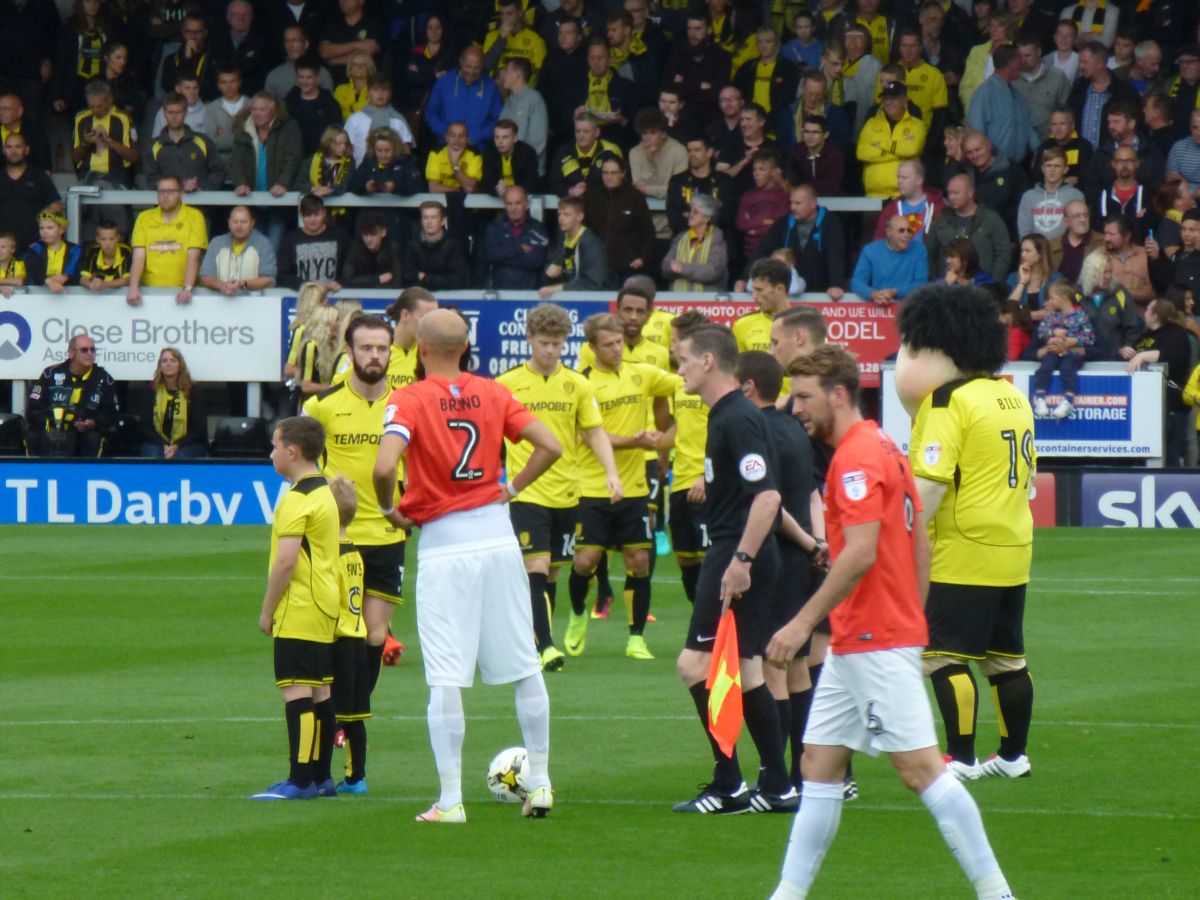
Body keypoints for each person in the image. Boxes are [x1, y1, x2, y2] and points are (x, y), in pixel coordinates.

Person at [767, 341, 1017, 900]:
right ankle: (787, 894)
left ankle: (997, 892)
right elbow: (918, 540)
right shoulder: (884, 444)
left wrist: (801, 623)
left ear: (838, 394)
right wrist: (914, 611)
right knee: (819, 764)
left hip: (874, 637)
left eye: (804, 396)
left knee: (921, 770)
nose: (794, 407)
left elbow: (857, 553)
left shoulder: (855, 457)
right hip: (867, 635)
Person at [373, 309, 562, 822]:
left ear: (421, 349)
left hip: (444, 543)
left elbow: (385, 465)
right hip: (498, 536)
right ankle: (541, 783)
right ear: (465, 347)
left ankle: (451, 798)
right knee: (525, 663)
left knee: (446, 676)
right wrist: (514, 488)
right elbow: (551, 445)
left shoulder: (408, 398)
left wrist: (392, 510)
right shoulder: (495, 391)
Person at [891, 284, 1039, 785]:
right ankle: (1014, 755)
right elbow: (1032, 479)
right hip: (1014, 544)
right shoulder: (1010, 394)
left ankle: (960, 757)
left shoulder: (947, 402)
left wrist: (900, 537)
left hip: (963, 545)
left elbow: (930, 484)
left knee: (941, 656)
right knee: (1005, 658)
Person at [670, 324, 792, 814]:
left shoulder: (735, 419)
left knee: (693, 665)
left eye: (682, 359)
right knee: (746, 669)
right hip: (745, 551)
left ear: (706, 362)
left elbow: (767, 496)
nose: (677, 368)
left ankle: (730, 783)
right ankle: (778, 785)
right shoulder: (727, 415)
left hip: (737, 552)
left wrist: (740, 559)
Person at [497, 304, 622, 670]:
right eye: (544, 343)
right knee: (535, 566)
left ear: (566, 342)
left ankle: (536, 639)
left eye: (556, 344)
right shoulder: (507, 385)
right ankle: (545, 646)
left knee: (552, 571)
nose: (550, 350)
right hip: (527, 492)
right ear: (529, 339)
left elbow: (594, 432)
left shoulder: (577, 385)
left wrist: (610, 472)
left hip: (568, 492)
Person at [304, 314, 410, 729]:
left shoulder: (406, 403)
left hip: (387, 534)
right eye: (366, 348)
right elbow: (300, 462)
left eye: (382, 348)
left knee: (374, 635)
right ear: (349, 353)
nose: (374, 355)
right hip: (339, 537)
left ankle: (351, 718)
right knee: (337, 633)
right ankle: (338, 717)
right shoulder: (322, 405)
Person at [735, 349, 824, 796]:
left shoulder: (758, 431)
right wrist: (819, 542)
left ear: (748, 386)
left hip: (783, 554)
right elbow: (810, 493)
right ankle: (805, 771)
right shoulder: (795, 428)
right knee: (799, 668)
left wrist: (806, 543)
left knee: (773, 667)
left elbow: (771, 503)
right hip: (806, 558)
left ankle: (781, 776)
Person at [565, 312, 678, 660]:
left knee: (639, 560)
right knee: (585, 560)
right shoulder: (582, 383)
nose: (616, 349)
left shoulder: (641, 374)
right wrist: (637, 441)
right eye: (608, 345)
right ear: (592, 347)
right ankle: (579, 613)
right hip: (590, 486)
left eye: (619, 343)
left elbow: (681, 384)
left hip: (634, 487)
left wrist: (662, 438)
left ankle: (635, 637)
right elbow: (589, 436)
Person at [250, 416, 340, 800]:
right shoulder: (327, 493)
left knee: (296, 690)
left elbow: (285, 561)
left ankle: (300, 779)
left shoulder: (297, 499)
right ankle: (321, 777)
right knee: (320, 691)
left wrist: (267, 610)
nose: (271, 453)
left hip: (301, 604)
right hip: (325, 601)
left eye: (274, 446)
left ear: (292, 451)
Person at [326, 475, 370, 794]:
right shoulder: (355, 553)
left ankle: (320, 772)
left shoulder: (332, 556)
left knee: (330, 712)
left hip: (337, 638)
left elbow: (329, 599)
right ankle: (356, 778)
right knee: (355, 715)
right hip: (358, 637)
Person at [1124, 299, 1194, 467]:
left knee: (1169, 453)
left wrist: (1143, 356)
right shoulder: (1146, 335)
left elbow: (1171, 356)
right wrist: (1126, 351)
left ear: (1155, 315)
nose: (1144, 313)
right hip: (1145, 407)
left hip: (1171, 405)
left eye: (1147, 310)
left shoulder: (1176, 333)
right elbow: (1134, 355)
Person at [26, 334, 119, 458]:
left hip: (84, 434)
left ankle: (87, 475)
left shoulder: (104, 379)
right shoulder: (50, 374)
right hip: (50, 430)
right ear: (71, 353)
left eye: (93, 350)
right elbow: (34, 407)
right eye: (84, 350)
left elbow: (111, 414)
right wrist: (49, 424)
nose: (89, 353)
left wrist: (93, 423)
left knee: (95, 438)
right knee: (32, 436)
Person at [745, 185, 847, 298]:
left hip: (822, 292)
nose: (792, 207)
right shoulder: (782, 224)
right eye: (791, 203)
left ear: (813, 204)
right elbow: (761, 252)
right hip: (787, 293)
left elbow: (835, 256)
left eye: (798, 203)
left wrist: (836, 284)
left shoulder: (831, 223)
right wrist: (745, 278)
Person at [126, 175, 208, 306]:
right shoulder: (144, 217)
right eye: (161, 191)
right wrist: (133, 287)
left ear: (181, 193)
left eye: (170, 191)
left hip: (184, 292)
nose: (165, 195)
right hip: (150, 291)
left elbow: (194, 255)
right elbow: (138, 256)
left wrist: (187, 288)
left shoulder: (194, 216)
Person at [585, 155, 656, 283]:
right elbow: (585, 230)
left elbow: (648, 231)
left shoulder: (635, 197)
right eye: (605, 173)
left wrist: (643, 257)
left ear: (623, 173)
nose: (608, 177)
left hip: (628, 266)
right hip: (598, 265)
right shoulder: (592, 196)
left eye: (613, 173)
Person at [927, 174, 1010, 283]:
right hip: (946, 287)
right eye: (949, 193)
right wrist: (934, 283)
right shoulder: (942, 219)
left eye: (956, 193)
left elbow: (1003, 255)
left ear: (970, 192)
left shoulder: (991, 219)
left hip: (982, 287)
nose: (951, 197)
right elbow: (929, 253)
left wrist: (993, 285)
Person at [1031, 281, 1095, 420]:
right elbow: (1041, 331)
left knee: (1068, 368)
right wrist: (1053, 333)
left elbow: (1089, 337)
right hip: (1054, 351)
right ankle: (1040, 398)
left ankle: (1068, 400)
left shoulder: (1080, 315)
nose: (1049, 301)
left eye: (1052, 297)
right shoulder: (1052, 316)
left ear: (1064, 298)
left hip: (1073, 353)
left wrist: (1073, 340)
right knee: (1045, 366)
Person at [966, 45, 1037, 167]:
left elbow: (1028, 125)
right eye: (1019, 59)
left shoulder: (1017, 95)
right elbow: (975, 134)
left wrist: (1038, 151)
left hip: (1018, 168)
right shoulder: (984, 93)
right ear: (1010, 64)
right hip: (994, 168)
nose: (1022, 63)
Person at [229, 92, 304, 206]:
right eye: (254, 109)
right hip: (249, 198)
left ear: (273, 111)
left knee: (276, 225)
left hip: (280, 198)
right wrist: (240, 183)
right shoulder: (243, 130)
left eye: (262, 110)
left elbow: (292, 158)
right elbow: (236, 162)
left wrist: (282, 183)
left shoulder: (288, 128)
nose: (257, 114)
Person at [144, 91, 226, 193]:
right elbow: (152, 180)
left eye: (178, 112)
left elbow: (218, 171)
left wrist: (200, 187)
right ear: (164, 113)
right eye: (170, 112)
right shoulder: (153, 146)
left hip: (201, 204)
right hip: (167, 205)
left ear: (186, 112)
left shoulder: (203, 141)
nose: (174, 117)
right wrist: (179, 186)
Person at [857, 81, 926, 199]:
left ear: (904, 100)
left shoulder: (917, 125)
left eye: (893, 98)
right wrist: (898, 154)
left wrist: (882, 145)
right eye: (886, 99)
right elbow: (862, 153)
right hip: (874, 194)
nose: (888, 102)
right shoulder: (871, 123)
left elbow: (911, 149)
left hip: (905, 195)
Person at [661, 11, 732, 124]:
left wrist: (683, 82)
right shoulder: (677, 53)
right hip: (680, 119)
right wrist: (700, 85)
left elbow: (717, 95)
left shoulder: (722, 57)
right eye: (690, 29)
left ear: (709, 30)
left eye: (698, 29)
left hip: (710, 119)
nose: (692, 34)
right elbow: (667, 86)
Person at [424, 47, 502, 149]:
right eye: (468, 66)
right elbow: (431, 113)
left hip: (478, 147)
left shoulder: (491, 87)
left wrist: (481, 135)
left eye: (476, 67)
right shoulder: (444, 82)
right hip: (446, 146)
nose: (471, 71)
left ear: (482, 65)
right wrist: (449, 135)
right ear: (461, 62)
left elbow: (499, 117)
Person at [140, 347, 206, 459]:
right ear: (160, 366)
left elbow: (199, 429)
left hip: (188, 444)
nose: (168, 364)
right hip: (158, 443)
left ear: (180, 365)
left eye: (173, 360)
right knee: (153, 455)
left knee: (181, 457)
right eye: (164, 361)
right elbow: (145, 426)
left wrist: (177, 445)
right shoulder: (151, 390)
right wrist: (164, 445)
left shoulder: (193, 391)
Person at [0, 132, 61, 252]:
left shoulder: (39, 176)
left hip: (34, 247)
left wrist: (43, 232)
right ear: (3, 150)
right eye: (9, 147)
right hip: (3, 249)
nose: (13, 151)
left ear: (26, 150)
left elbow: (56, 206)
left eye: (18, 147)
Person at [276, 194, 350, 291]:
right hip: (303, 297)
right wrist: (308, 284)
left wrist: (341, 283)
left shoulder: (340, 236)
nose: (312, 219)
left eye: (316, 214)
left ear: (324, 213)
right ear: (301, 215)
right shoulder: (289, 240)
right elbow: (281, 276)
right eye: (307, 215)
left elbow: (351, 268)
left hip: (334, 295)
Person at [198, 205, 277, 294]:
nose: (239, 226)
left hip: (254, 303)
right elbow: (205, 277)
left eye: (243, 222)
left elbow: (269, 280)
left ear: (252, 223)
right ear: (229, 223)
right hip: (219, 300)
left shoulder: (263, 244)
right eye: (235, 222)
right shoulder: (216, 243)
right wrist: (221, 285)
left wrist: (243, 284)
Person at [1078, 250, 1140, 362]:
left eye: (1110, 272)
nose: (1108, 276)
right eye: (1103, 272)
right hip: (1083, 361)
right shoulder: (1076, 295)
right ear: (1090, 273)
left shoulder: (1120, 293)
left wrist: (1128, 346)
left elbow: (1132, 326)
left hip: (1115, 359)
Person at [540, 196, 611, 295]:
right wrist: (549, 274)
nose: (561, 218)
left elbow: (594, 283)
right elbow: (552, 266)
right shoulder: (562, 239)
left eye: (567, 215)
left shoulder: (591, 243)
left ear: (580, 217)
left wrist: (561, 287)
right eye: (559, 214)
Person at [851, 215, 929, 304]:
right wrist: (873, 294)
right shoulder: (870, 250)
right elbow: (857, 282)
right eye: (901, 231)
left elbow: (921, 282)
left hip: (909, 306)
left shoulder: (919, 249)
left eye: (909, 230)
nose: (907, 234)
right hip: (878, 307)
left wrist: (895, 292)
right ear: (889, 232)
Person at [483, 185, 550, 290]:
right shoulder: (494, 228)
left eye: (518, 203)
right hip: (500, 294)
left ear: (527, 204)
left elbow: (537, 261)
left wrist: (504, 258)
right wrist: (519, 248)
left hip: (530, 294)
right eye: (509, 204)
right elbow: (492, 256)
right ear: (505, 206)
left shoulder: (538, 229)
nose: (513, 208)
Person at [666, 134, 734, 235]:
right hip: (686, 239)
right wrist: (706, 217)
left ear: (709, 152)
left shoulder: (724, 181)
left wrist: (691, 216)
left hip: (717, 240)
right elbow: (674, 219)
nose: (692, 154)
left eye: (697, 150)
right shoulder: (677, 181)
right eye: (689, 151)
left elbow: (727, 216)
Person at [1013, 37, 1071, 145]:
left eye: (1027, 56)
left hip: (1050, 142)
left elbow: (1067, 111)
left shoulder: (1057, 77)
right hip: (1018, 143)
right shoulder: (1012, 78)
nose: (1023, 60)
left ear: (1038, 52)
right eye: (1020, 56)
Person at [663, 195, 728, 292]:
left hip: (706, 299)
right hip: (677, 297)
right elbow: (665, 266)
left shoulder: (717, 238)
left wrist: (682, 268)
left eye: (696, 212)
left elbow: (713, 271)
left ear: (706, 218)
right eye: (691, 211)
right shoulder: (680, 237)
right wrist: (671, 267)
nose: (691, 214)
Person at [1018, 147, 1085, 241]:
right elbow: (1025, 233)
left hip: (1065, 251)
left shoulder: (1076, 196)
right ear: (1042, 168)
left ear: (1065, 169)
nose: (1052, 170)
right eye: (1048, 165)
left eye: (1057, 166)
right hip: (1037, 252)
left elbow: (1079, 230)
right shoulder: (1028, 197)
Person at [344, 74, 414, 165]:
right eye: (375, 90)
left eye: (384, 90)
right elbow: (346, 148)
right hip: (359, 172)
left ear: (390, 94)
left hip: (392, 174)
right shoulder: (355, 119)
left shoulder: (398, 121)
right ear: (367, 93)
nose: (380, 94)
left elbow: (406, 152)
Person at [284, 59, 344, 157]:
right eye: (301, 77)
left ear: (317, 78)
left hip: (323, 157)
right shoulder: (289, 102)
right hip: (295, 158)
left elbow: (337, 131)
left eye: (309, 77)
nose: (304, 82)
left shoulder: (329, 103)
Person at [404, 201, 469, 291]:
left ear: (443, 221)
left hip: (449, 299)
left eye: (433, 217)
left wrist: (425, 278)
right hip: (419, 299)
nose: (429, 222)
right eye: (425, 217)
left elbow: (458, 280)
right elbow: (409, 278)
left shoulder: (453, 245)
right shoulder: (412, 245)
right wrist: (438, 281)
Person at [498, 58, 548, 175]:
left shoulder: (535, 99)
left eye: (506, 70)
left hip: (530, 172)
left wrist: (522, 163)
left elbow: (538, 141)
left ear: (518, 74)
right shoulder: (509, 100)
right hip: (508, 171)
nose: (502, 74)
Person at [873, 159, 943, 241]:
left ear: (919, 180)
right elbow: (879, 242)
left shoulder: (938, 208)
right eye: (898, 177)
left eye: (904, 178)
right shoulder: (890, 210)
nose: (899, 181)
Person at [265, 25, 335, 101]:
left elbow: (328, 104)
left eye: (295, 40)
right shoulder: (274, 76)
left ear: (306, 44)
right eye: (287, 41)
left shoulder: (321, 73)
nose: (290, 46)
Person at [23, 209, 84, 293]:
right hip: (37, 295)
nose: (45, 231)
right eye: (41, 228)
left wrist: (66, 277)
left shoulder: (76, 250)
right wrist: (47, 280)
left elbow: (82, 274)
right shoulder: (34, 249)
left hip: (71, 296)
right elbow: (30, 271)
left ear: (62, 230)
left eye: (50, 228)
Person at [203, 64, 250, 173]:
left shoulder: (251, 105)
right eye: (224, 82)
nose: (228, 86)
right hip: (221, 165)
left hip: (247, 163)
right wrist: (240, 135)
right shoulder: (212, 108)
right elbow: (211, 141)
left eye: (232, 81)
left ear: (239, 82)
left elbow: (254, 139)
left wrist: (225, 136)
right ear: (218, 85)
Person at [340, 212, 404, 289]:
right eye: (365, 234)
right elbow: (346, 280)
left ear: (383, 232)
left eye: (373, 234)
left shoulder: (393, 249)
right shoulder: (355, 248)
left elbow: (398, 282)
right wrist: (377, 279)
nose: (368, 239)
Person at [788, 114, 844, 197]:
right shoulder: (796, 151)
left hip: (831, 201)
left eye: (815, 132)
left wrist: (803, 185)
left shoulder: (834, 154)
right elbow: (790, 179)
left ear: (826, 135)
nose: (810, 136)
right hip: (801, 198)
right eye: (806, 132)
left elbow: (831, 186)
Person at [481, 119, 539, 197]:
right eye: (496, 137)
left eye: (505, 137)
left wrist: (510, 190)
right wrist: (499, 190)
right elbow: (487, 183)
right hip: (496, 198)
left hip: (522, 199)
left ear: (515, 138)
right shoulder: (489, 153)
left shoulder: (528, 153)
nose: (500, 141)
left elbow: (531, 183)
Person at [1006, 234, 1062, 314]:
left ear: (1041, 254)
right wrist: (1022, 282)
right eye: (1022, 251)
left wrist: (1026, 316)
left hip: (1049, 325)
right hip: (1020, 326)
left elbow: (1059, 309)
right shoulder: (1012, 278)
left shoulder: (1055, 278)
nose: (1023, 255)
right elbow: (1008, 310)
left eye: (1028, 251)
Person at [1051, 200, 1103, 284]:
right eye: (1076, 216)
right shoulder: (1052, 245)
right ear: (1066, 221)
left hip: (1090, 294)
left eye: (1085, 215)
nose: (1082, 220)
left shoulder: (1102, 242)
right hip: (1061, 294)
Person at [425, 122, 482, 195]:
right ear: (446, 137)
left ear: (467, 139)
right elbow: (433, 189)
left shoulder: (475, 154)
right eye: (453, 135)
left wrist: (454, 163)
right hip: (441, 199)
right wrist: (457, 190)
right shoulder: (436, 153)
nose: (457, 140)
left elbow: (470, 188)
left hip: (468, 201)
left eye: (461, 136)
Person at [1166, 109, 1200, 195]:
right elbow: (1172, 185)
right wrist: (1196, 191)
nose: (1198, 132)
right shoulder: (1178, 148)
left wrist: (1185, 184)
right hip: (1181, 201)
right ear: (1190, 127)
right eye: (1195, 127)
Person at [0, 231, 27, 295]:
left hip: (14, 301)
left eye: (3, 247)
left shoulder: (18, 264)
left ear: (13, 249)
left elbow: (19, 281)